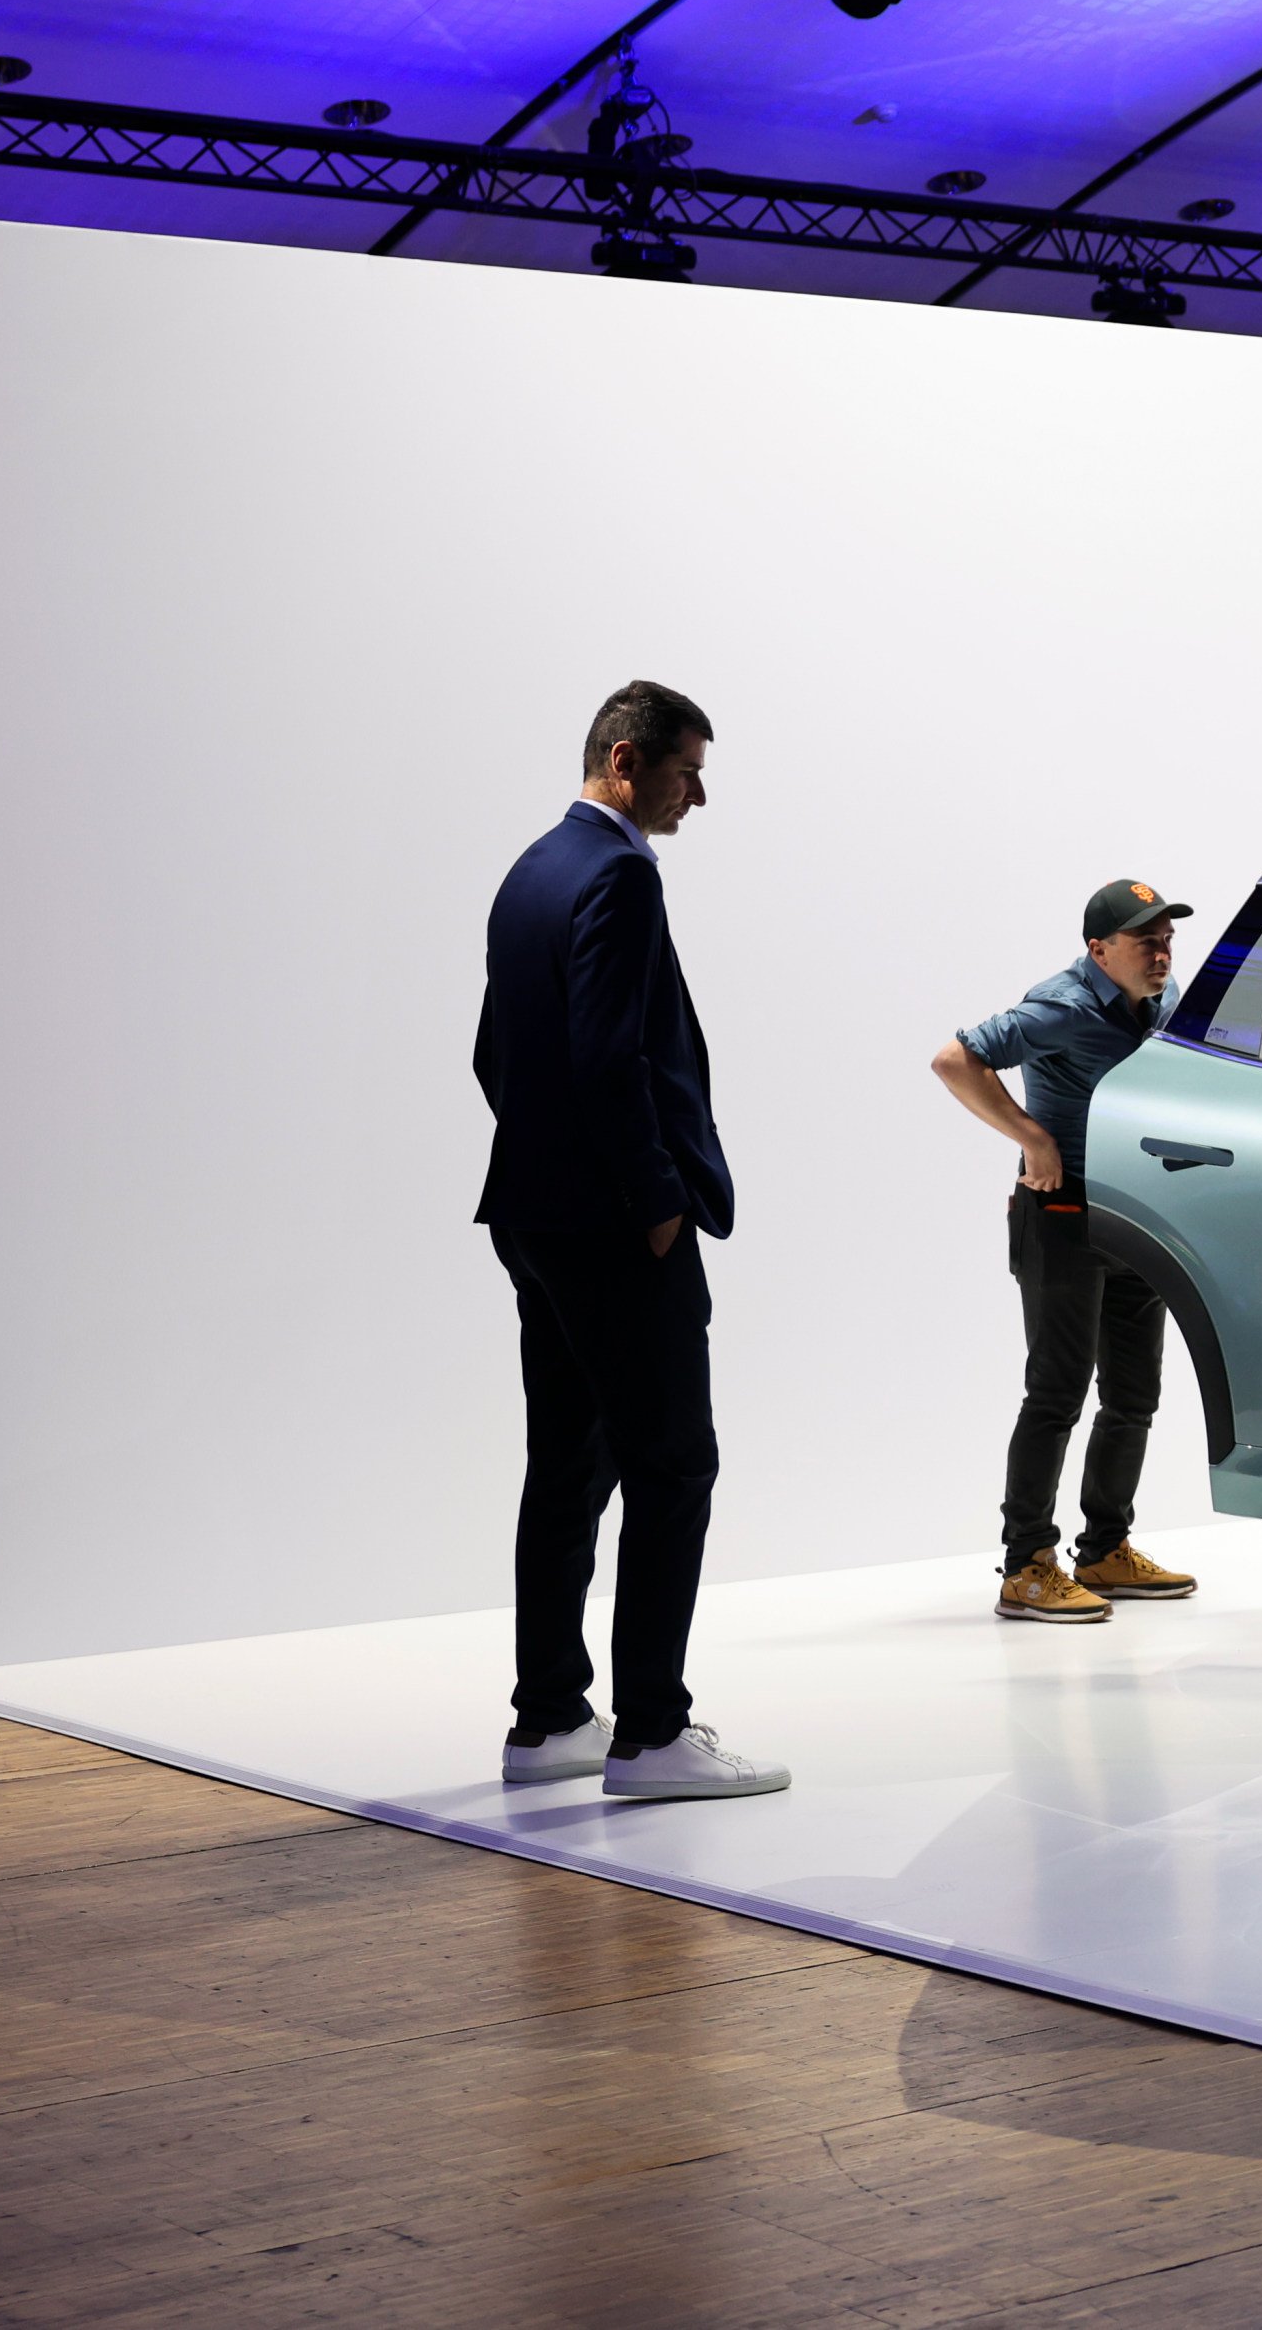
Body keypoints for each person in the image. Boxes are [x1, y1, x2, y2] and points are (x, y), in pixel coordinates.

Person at [476, 681, 786, 1801]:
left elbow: (492, 1054)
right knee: (672, 1462)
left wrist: (550, 1168)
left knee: (568, 1462)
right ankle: (652, 1734)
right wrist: (654, 1198)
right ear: (623, 758)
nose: (696, 796)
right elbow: (610, 1058)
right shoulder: (615, 871)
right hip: (614, 1224)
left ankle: (549, 1717)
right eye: (684, 771)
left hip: (534, 1214)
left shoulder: (530, 871)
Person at [935, 882, 1208, 1624]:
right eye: (1144, 940)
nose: (1160, 952)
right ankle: (1026, 1565)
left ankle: (1104, 1549)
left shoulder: (1163, 997)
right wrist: (1033, 1138)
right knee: (1057, 1390)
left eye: (1165, 938)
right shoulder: (1058, 1005)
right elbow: (954, 1060)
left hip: (1132, 1214)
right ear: (1099, 949)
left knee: (1133, 1395)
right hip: (1060, 1213)